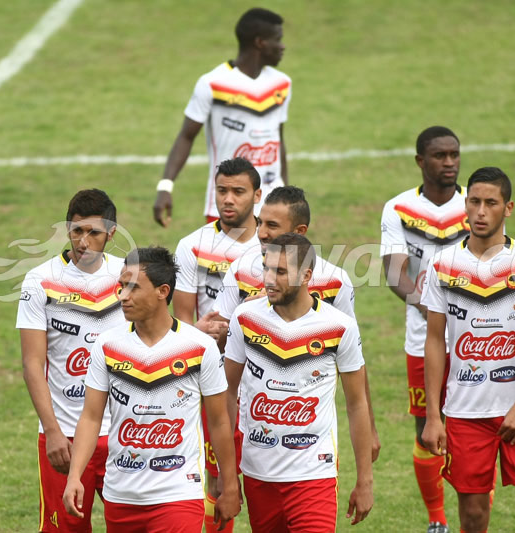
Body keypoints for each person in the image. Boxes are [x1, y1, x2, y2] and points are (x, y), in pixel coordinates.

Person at [421, 167, 515, 533]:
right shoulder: (442, 265)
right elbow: (435, 341)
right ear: (464, 205)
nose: (481, 211)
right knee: (472, 518)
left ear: (508, 208)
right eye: (474, 202)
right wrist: (434, 417)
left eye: (491, 203)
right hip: (465, 413)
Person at [62, 247, 240, 532]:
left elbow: (219, 421)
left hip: (178, 495)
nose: (123, 296)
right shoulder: (107, 346)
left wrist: (229, 484)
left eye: (133, 287)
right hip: (120, 497)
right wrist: (74, 477)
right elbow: (91, 417)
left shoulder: (199, 347)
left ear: (162, 291)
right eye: (121, 287)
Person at [213, 185, 381, 461]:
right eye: (260, 223)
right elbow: (221, 342)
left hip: (306, 423)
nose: (262, 233)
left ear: (300, 232)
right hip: (248, 414)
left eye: (272, 225)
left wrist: (370, 426)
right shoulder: (240, 269)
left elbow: (353, 359)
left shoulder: (335, 280)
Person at [224, 233, 374, 532]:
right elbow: (227, 394)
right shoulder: (244, 318)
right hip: (258, 474)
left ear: (306, 275)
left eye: (280, 272)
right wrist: (228, 476)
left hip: (314, 475)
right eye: (266, 268)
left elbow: (357, 405)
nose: (269, 279)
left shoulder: (339, 326)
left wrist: (365, 480)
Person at [17, 189, 126, 532]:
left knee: (132, 525)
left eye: (93, 232)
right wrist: (51, 431)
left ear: (111, 233)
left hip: (124, 434)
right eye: (77, 230)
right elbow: (32, 363)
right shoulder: (39, 281)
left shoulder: (129, 277)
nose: (83, 241)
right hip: (64, 434)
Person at [380, 126, 469, 533]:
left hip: (476, 339)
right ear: (421, 161)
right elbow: (395, 273)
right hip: (422, 339)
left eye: (454, 155)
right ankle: (437, 520)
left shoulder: (476, 203)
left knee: (474, 427)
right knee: (427, 427)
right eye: (440, 156)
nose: (449, 163)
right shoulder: (398, 209)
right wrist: (431, 306)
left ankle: (474, 516)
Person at [172, 156, 260, 532]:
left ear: (257, 196)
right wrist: (200, 333)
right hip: (214, 375)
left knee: (261, 479)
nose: (228, 199)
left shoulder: (272, 246)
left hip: (264, 372)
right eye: (222, 190)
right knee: (217, 478)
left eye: (238, 192)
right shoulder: (193, 246)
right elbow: (179, 324)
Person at [153, 7, 290, 226]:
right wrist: (166, 186)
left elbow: (278, 140)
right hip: (228, 206)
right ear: (260, 42)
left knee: (279, 262)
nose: (283, 46)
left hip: (271, 208)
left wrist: (286, 195)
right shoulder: (213, 84)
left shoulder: (282, 84)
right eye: (278, 39)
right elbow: (186, 136)